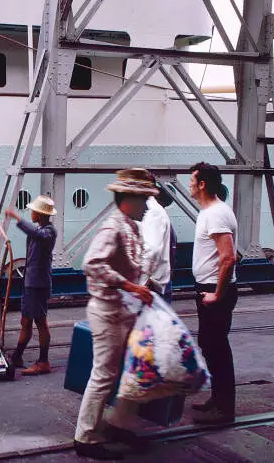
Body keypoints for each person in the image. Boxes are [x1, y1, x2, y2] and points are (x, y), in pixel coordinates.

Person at [74, 168, 157, 461]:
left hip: (124, 310)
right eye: (144, 199)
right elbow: (92, 264)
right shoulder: (113, 228)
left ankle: (116, 424)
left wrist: (143, 285)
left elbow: (127, 266)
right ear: (129, 199)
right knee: (104, 374)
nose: (147, 205)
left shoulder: (130, 227)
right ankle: (85, 436)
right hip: (108, 311)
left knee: (132, 369)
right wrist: (131, 285)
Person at [189, 162, 238, 425]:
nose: (189, 185)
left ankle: (224, 409)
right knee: (210, 345)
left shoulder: (216, 214)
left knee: (217, 348)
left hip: (214, 292)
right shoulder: (211, 212)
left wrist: (218, 294)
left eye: (192, 180)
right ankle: (218, 400)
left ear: (202, 184)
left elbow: (228, 258)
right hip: (207, 289)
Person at [4, 195, 57, 375]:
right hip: (30, 283)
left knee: (40, 321)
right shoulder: (41, 229)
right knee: (25, 320)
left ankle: (44, 361)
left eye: (33, 211)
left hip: (38, 285)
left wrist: (18, 219)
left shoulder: (49, 232)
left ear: (40, 214)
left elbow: (37, 235)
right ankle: (17, 355)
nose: (31, 213)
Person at [140, 192, 173, 303]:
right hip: (152, 283)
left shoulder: (152, 211)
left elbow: (152, 250)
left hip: (151, 285)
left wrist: (141, 283)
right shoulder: (151, 209)